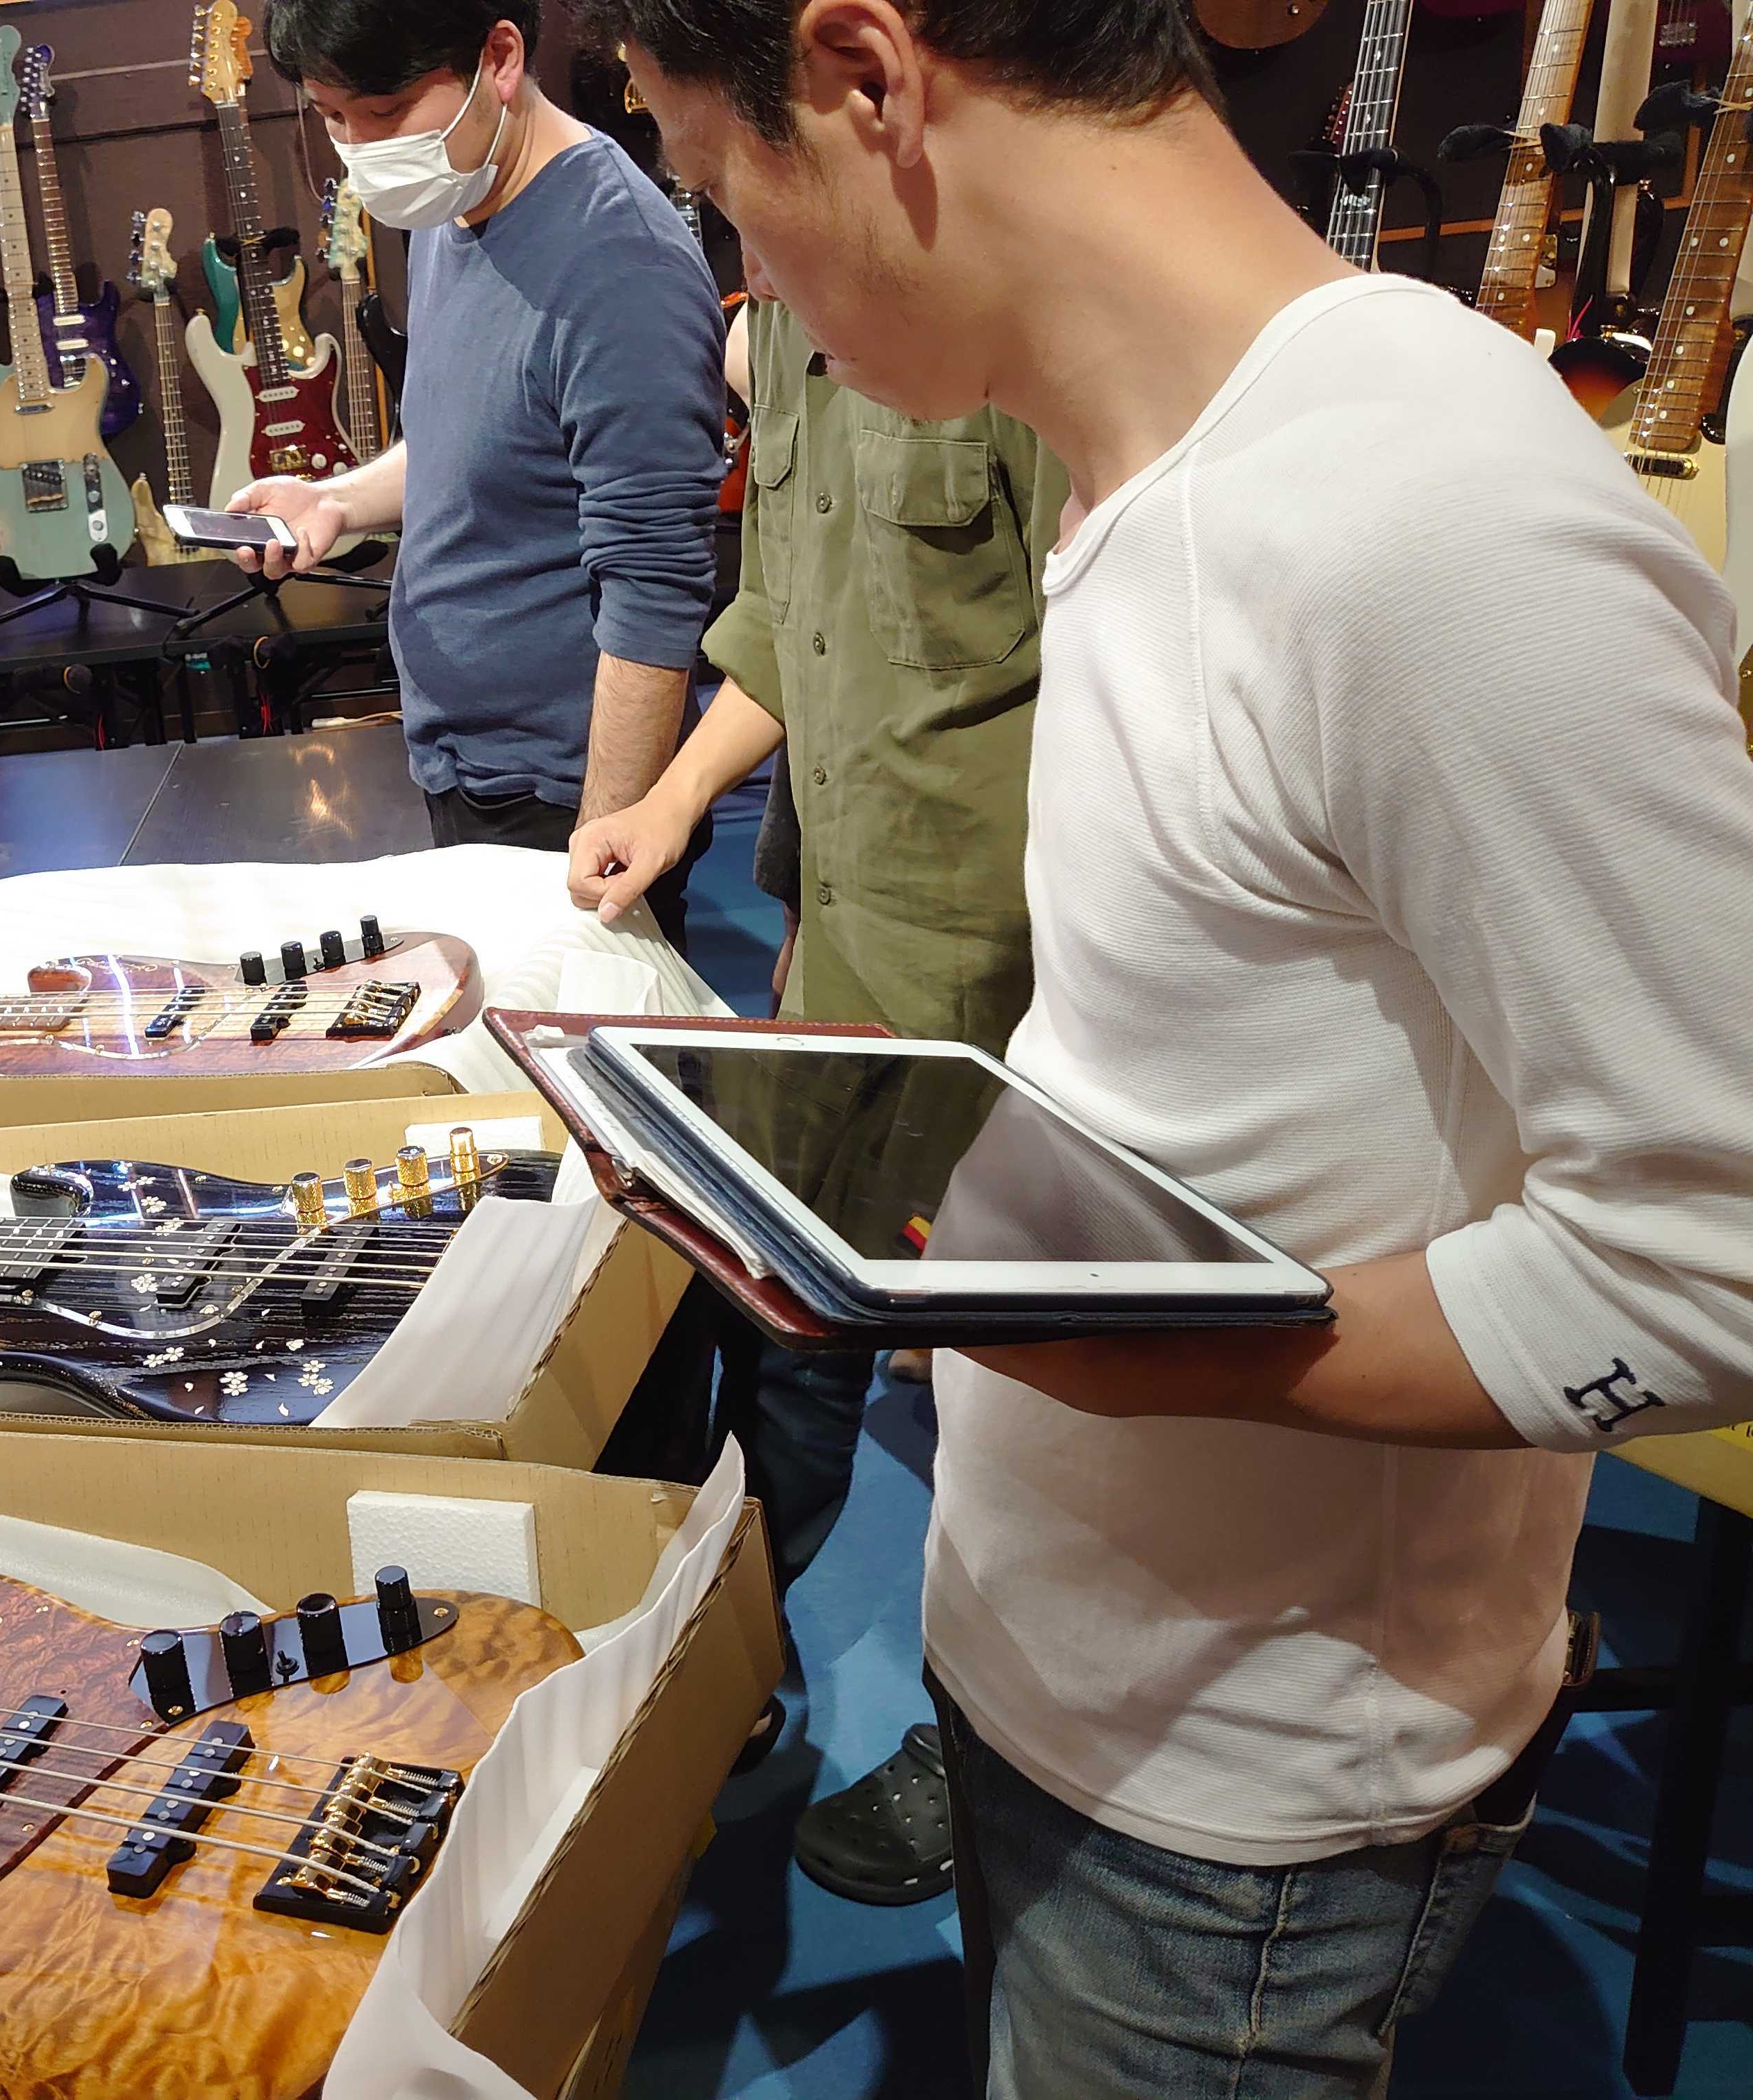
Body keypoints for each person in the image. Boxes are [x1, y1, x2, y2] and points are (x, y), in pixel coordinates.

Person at [588, 0, 1753, 2090]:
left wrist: (1159, 1351)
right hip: (1073, 1683)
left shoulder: (1427, 523)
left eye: (722, 194)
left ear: (866, 78)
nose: (747, 286)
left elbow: (1719, 1255)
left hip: (1247, 1817)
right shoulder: (1141, 473)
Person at [575, 266, 1059, 1910]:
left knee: (1021, 1399)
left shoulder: (1020, 314)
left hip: (1021, 973)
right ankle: (723, 1667)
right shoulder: (777, 323)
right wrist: (672, 805)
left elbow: (1115, 654)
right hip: (850, 936)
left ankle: (994, 1749)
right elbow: (787, 615)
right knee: (787, 1343)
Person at [234, 0, 725, 944]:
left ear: (499, 58)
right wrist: (335, 500)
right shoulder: (456, 195)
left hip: (565, 798)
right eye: (333, 118)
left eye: (384, 112)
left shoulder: (618, 261)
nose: (360, 149)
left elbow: (655, 592)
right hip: (466, 769)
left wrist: (600, 857)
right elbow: (473, 434)